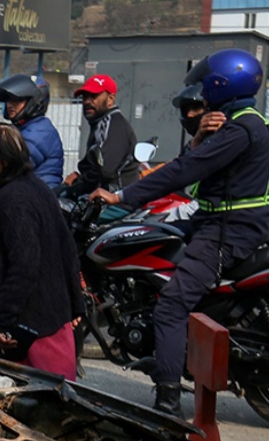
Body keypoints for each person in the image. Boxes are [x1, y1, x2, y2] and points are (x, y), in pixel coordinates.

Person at [89, 49, 269, 416]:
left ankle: (167, 404)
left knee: (170, 308)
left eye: (206, 83)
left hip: (228, 231)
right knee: (151, 233)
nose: (202, 91)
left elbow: (185, 171)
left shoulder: (241, 129)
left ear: (222, 84)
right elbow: (199, 162)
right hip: (212, 220)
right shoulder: (239, 122)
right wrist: (200, 137)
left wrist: (120, 195)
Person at [0, 122, 84, 381]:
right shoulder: (36, 188)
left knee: (39, 409)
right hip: (47, 324)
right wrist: (76, 305)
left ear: (1, 160)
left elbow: (24, 265)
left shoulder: (13, 200)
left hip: (32, 335)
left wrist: (3, 323)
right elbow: (67, 249)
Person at [63, 73, 139, 194]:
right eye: (85, 96)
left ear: (110, 99)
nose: (87, 101)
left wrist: (77, 182)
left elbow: (104, 170)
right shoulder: (101, 123)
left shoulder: (111, 124)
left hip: (114, 200)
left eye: (93, 96)